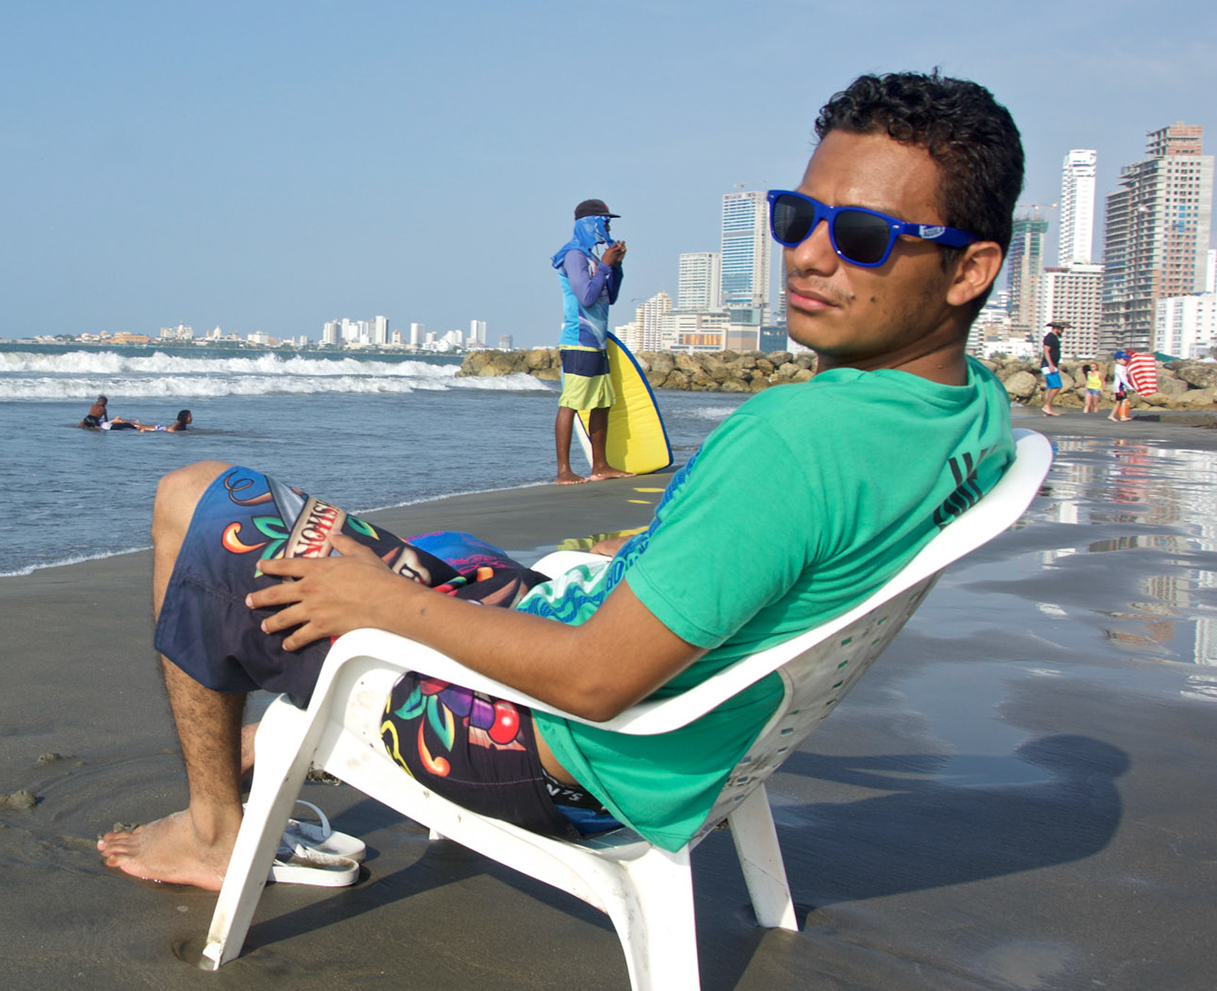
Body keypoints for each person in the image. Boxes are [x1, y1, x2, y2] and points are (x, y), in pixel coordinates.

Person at [99, 71, 1021, 890]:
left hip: (556, 759)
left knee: (198, 498)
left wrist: (379, 606)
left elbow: (591, 683)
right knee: (452, 555)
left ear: (969, 269)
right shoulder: (964, 411)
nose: (809, 254)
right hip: (680, 746)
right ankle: (286, 742)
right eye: (796, 216)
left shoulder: (800, 441)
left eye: (862, 235)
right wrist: (649, 553)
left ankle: (214, 830)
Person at [553, 200, 630, 484]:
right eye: (605, 221)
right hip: (578, 342)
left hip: (596, 343)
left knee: (602, 403)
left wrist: (615, 267)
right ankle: (563, 471)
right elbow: (585, 297)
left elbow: (610, 295)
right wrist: (606, 266)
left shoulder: (593, 258)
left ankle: (601, 467)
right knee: (571, 403)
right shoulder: (573, 255)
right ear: (590, 223)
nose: (608, 227)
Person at [1040, 322, 1066, 417]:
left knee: (1050, 387)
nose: (1062, 331)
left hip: (1052, 365)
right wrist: (1051, 365)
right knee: (1057, 386)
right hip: (1048, 365)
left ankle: (1047, 410)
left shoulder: (1055, 338)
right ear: (1056, 328)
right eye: (1061, 329)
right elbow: (1046, 351)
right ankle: (1047, 406)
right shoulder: (1049, 337)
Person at [1111, 351, 1133, 421]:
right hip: (1119, 387)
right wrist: (1130, 387)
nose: (1125, 361)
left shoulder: (1122, 367)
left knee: (1119, 402)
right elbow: (1122, 379)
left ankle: (1112, 415)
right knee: (1124, 400)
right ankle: (1122, 416)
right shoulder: (1118, 368)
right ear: (1117, 360)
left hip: (1122, 387)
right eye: (1123, 359)